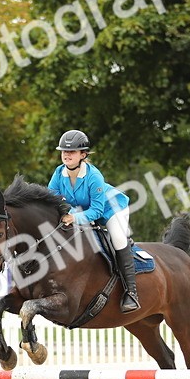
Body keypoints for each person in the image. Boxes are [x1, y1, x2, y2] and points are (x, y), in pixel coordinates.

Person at [47, 129, 140, 313]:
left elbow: (97, 211)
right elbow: (52, 201)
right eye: (64, 151)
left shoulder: (93, 176)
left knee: (119, 239)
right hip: (82, 211)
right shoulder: (58, 174)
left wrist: (74, 217)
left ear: (83, 154)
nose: (66, 154)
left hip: (112, 209)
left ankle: (131, 292)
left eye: (71, 151)